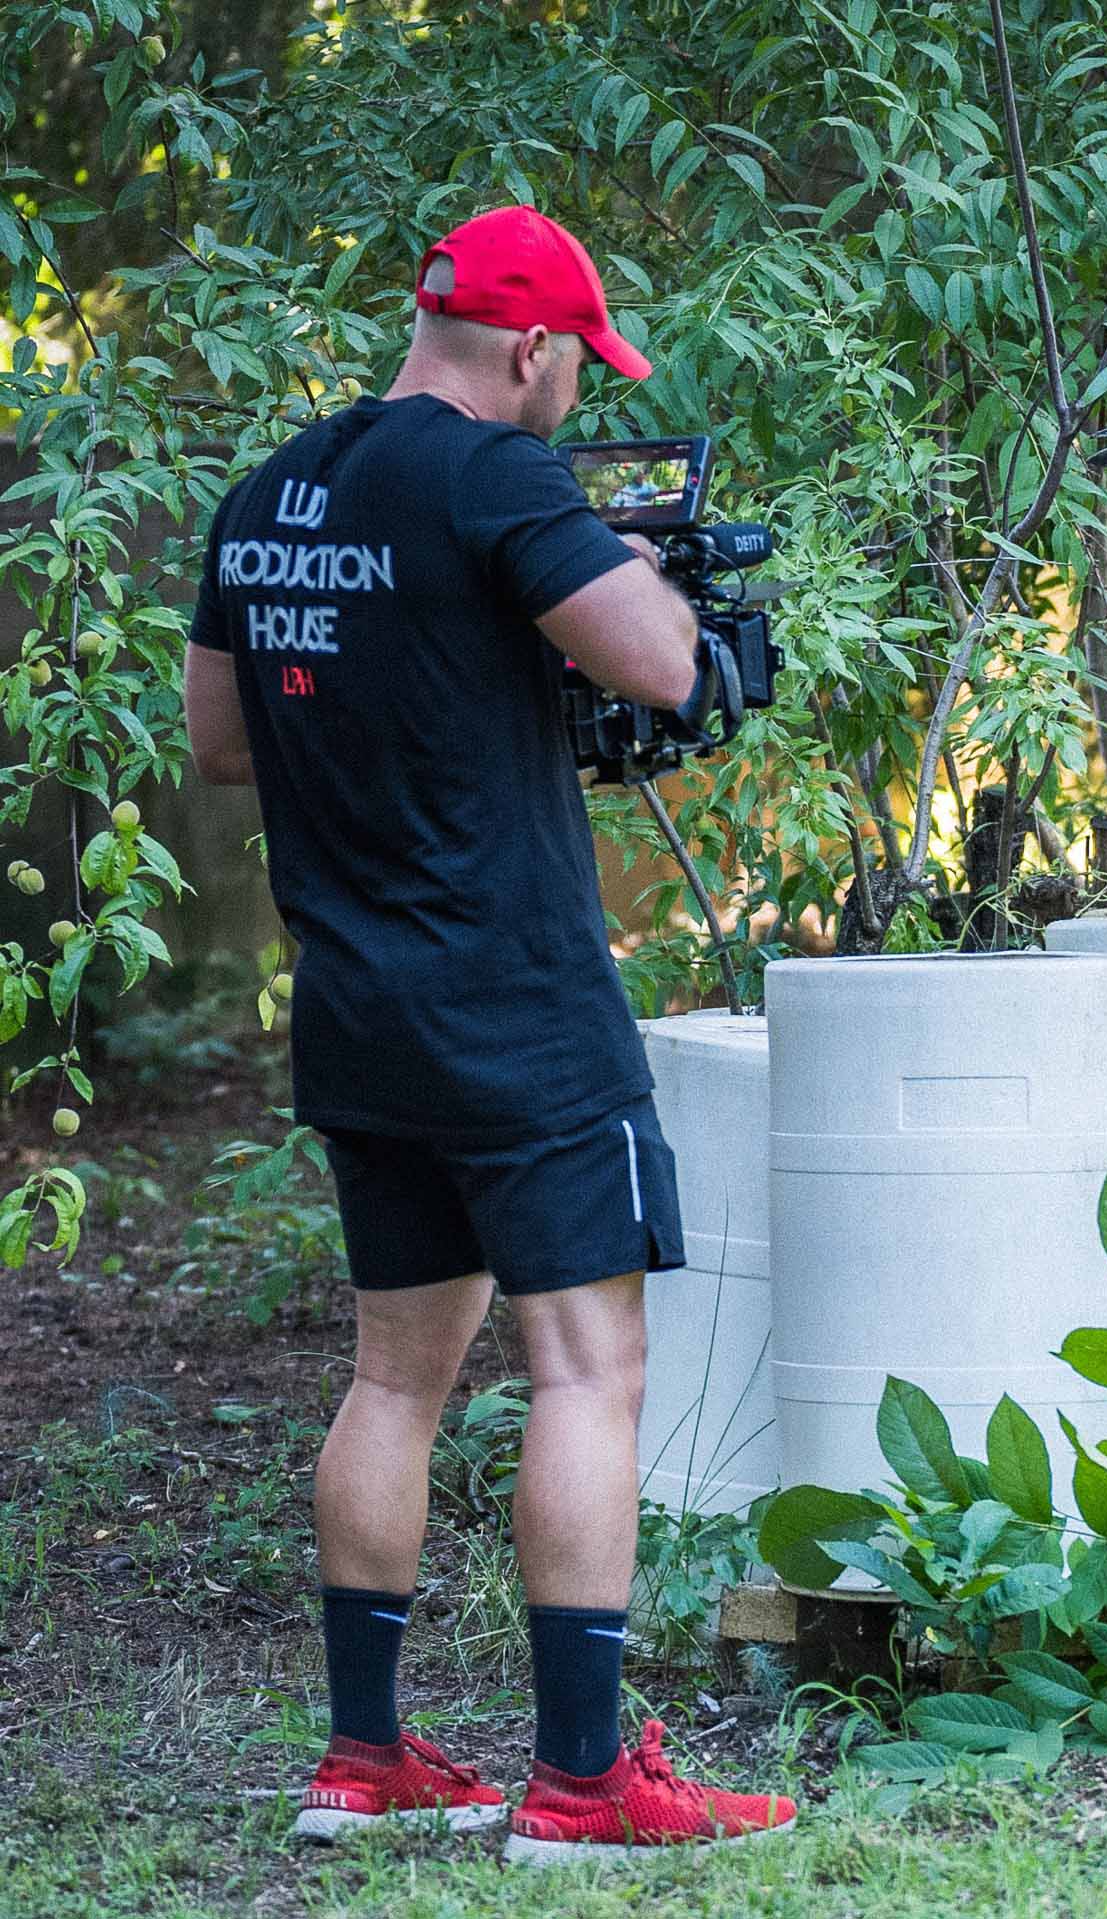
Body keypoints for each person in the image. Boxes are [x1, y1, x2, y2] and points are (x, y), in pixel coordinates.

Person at [183, 204, 794, 1864]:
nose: (574, 400)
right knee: (588, 1370)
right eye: (574, 367)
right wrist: (648, 576)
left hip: (359, 1009)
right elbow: (665, 667)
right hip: (518, 1011)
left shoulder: (271, 496)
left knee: (394, 1380)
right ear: (527, 347)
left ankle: (363, 1762)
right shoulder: (500, 479)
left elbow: (224, 744)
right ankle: (587, 1784)